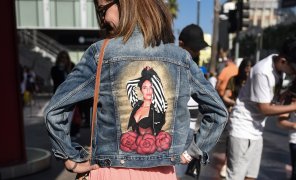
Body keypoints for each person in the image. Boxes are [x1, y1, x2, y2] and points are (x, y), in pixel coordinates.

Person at [44, 0, 228, 179]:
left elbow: (54, 110)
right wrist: (191, 152)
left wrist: (70, 158)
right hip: (163, 173)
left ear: (124, 3)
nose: (102, 20)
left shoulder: (100, 54)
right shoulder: (181, 58)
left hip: (110, 172)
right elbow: (218, 112)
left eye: (102, 11)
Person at [226, 36, 296, 180]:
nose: (293, 73)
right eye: (294, 69)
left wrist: (284, 95)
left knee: (251, 176)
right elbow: (265, 109)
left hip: (256, 129)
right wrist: (293, 106)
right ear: (283, 61)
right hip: (242, 128)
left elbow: (270, 99)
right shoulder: (263, 71)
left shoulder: (277, 68)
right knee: (236, 176)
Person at [176, 24, 211, 180]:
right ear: (181, 44)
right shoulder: (173, 66)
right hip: (177, 132)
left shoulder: (196, 68)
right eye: (193, 49)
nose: (196, 53)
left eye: (198, 49)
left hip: (193, 132)